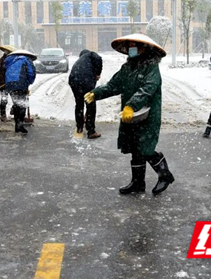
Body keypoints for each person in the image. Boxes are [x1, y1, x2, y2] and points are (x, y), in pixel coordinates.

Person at [85, 33, 174, 196]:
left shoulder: (151, 68)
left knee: (145, 147)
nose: (131, 49)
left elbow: (148, 88)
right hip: (130, 116)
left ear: (144, 49)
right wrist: (96, 93)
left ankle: (165, 175)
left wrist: (132, 105)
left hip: (148, 115)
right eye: (130, 46)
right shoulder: (127, 68)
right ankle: (138, 183)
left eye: (135, 45)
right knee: (134, 148)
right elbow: (113, 85)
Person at [69, 49, 103, 138]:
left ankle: (79, 127)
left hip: (73, 80)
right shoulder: (91, 54)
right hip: (86, 80)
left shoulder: (80, 61)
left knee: (79, 104)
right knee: (91, 104)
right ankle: (91, 131)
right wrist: (98, 74)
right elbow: (99, 58)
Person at [4, 49, 37, 134]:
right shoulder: (27, 60)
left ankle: (17, 125)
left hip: (9, 84)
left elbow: (6, 71)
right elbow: (31, 73)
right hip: (20, 84)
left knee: (16, 104)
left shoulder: (11, 60)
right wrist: (29, 82)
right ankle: (20, 126)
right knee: (22, 105)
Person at [0, 44, 16, 122]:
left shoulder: (14, 62)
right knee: (5, 99)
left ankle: (12, 111)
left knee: (13, 99)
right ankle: (3, 115)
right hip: (4, 83)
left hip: (11, 83)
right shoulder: (0, 61)